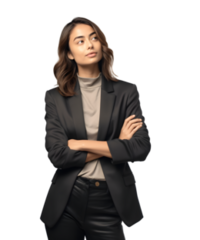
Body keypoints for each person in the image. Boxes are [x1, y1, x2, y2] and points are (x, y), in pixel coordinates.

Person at [40, 16, 152, 240]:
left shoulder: (126, 92)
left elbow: (141, 148)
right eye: (80, 41)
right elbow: (57, 155)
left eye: (94, 38)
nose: (90, 45)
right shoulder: (54, 97)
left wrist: (81, 144)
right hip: (67, 200)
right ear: (69, 53)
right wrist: (117, 145)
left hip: (109, 199)